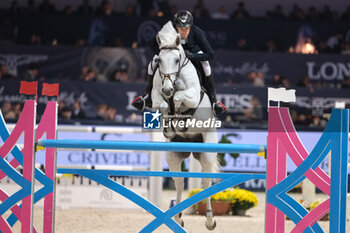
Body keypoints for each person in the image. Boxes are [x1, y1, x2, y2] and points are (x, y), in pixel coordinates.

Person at [132, 10, 226, 116]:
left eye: (187, 28)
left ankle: (214, 101)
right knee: (152, 64)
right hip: (170, 53)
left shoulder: (197, 32)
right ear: (175, 26)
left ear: (191, 26)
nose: (184, 31)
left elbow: (210, 54)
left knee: (206, 65)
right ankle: (147, 95)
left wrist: (193, 56)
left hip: (191, 53)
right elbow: (152, 43)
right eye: (181, 28)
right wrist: (164, 55)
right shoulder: (168, 30)